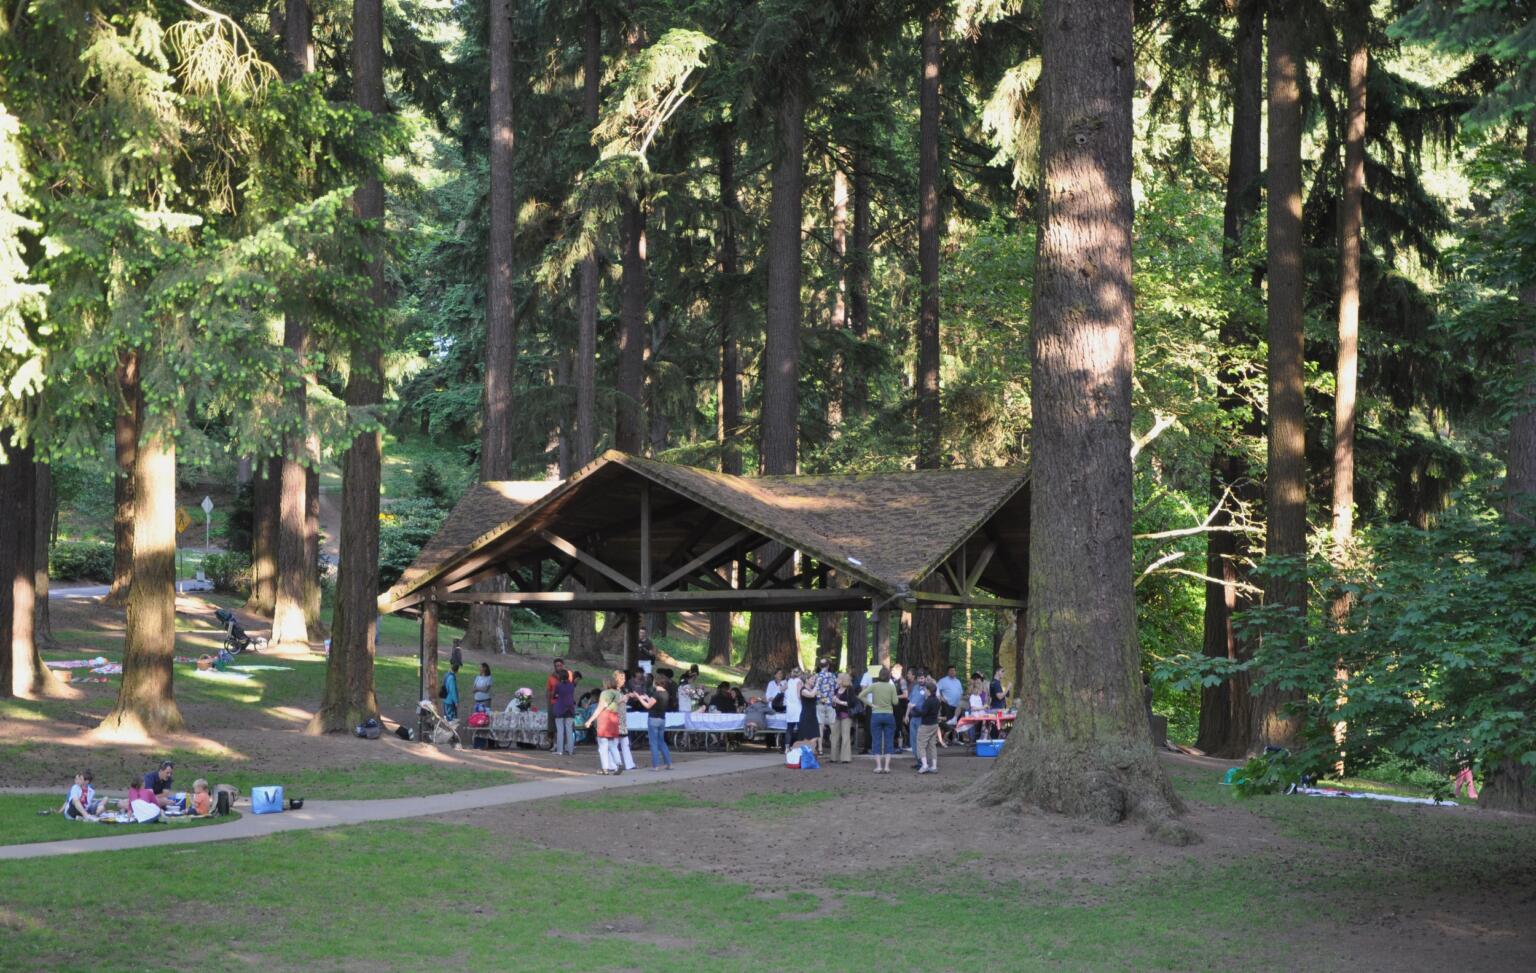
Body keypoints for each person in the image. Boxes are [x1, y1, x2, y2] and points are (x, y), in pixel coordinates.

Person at [860, 666, 898, 773]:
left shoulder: (874, 686)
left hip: (876, 714)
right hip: (889, 715)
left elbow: (861, 695)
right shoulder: (891, 687)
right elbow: (895, 702)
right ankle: (887, 767)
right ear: (888, 676)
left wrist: (871, 704)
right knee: (889, 740)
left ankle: (878, 766)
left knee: (876, 740)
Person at [584, 677, 625, 774]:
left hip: (604, 719)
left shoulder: (604, 693)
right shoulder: (618, 693)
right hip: (614, 718)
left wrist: (589, 720)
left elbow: (599, 708)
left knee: (602, 746)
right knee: (612, 745)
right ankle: (619, 763)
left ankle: (605, 768)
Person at [644, 675, 672, 770]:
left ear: (656, 683)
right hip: (662, 719)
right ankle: (668, 763)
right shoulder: (666, 693)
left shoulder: (656, 693)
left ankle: (656, 765)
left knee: (653, 743)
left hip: (653, 719)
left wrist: (639, 698)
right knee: (661, 742)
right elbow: (654, 702)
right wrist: (647, 697)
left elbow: (648, 706)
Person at [915, 677, 942, 773]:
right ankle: (934, 766)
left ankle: (925, 765)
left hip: (926, 725)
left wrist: (915, 709)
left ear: (929, 691)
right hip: (934, 724)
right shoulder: (937, 701)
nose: (925, 691)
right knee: (932, 745)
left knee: (921, 744)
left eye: (925, 689)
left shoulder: (928, 701)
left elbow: (923, 713)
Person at [612, 670, 638, 771]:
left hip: (622, 719)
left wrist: (630, 696)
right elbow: (613, 702)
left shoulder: (623, 690)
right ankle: (614, 764)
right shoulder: (612, 690)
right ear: (616, 679)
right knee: (614, 743)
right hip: (615, 719)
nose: (624, 680)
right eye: (621, 678)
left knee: (625, 742)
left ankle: (629, 764)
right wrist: (625, 697)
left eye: (624, 678)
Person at [813, 658, 838, 751]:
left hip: (820, 703)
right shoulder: (833, 676)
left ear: (819, 666)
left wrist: (822, 699)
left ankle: (820, 748)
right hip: (831, 703)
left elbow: (816, 690)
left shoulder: (816, 676)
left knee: (820, 726)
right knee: (832, 725)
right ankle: (834, 748)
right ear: (828, 666)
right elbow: (836, 688)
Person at [551, 668, 577, 756]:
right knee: (569, 730)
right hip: (570, 709)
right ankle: (570, 750)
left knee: (560, 730)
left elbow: (554, 695)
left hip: (560, 708)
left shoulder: (558, 685)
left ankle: (560, 750)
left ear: (559, 676)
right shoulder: (572, 685)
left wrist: (557, 695)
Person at [829, 673, 854, 764]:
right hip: (837, 715)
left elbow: (851, 703)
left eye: (838, 678)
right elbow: (834, 705)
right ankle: (833, 757)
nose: (836, 679)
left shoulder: (849, 690)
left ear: (843, 680)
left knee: (845, 736)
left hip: (846, 716)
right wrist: (834, 702)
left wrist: (839, 701)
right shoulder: (836, 690)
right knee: (834, 736)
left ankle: (845, 758)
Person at [936, 666, 964, 744]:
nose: (952, 672)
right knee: (947, 722)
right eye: (951, 671)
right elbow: (936, 689)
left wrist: (960, 700)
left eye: (954, 671)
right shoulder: (943, 681)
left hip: (957, 706)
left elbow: (961, 692)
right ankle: (943, 739)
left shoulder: (958, 681)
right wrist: (941, 698)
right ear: (948, 672)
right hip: (947, 705)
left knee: (957, 722)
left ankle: (955, 739)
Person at [545, 658, 568, 749]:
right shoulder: (551, 677)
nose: (558, 667)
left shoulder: (567, 675)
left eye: (560, 665)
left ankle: (566, 744)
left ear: (563, 665)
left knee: (565, 724)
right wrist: (549, 701)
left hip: (564, 703)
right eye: (556, 666)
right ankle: (555, 744)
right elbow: (548, 690)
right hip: (553, 703)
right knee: (553, 725)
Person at [782, 668, 804, 752]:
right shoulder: (799, 681)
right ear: (800, 674)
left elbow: (782, 689)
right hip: (797, 707)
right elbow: (799, 695)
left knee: (789, 728)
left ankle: (787, 747)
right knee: (800, 728)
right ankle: (799, 747)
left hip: (789, 708)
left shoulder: (789, 681)